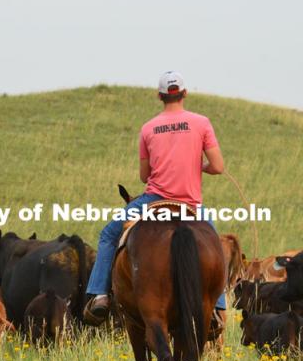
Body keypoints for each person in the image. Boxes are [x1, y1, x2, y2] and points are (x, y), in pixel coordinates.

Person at [84, 71, 226, 326]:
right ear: (185, 93)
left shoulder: (148, 128)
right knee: (213, 243)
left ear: (159, 96)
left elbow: (143, 175)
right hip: (190, 205)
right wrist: (198, 166)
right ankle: (216, 307)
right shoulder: (202, 122)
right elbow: (217, 166)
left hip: (153, 201)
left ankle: (101, 296)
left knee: (108, 235)